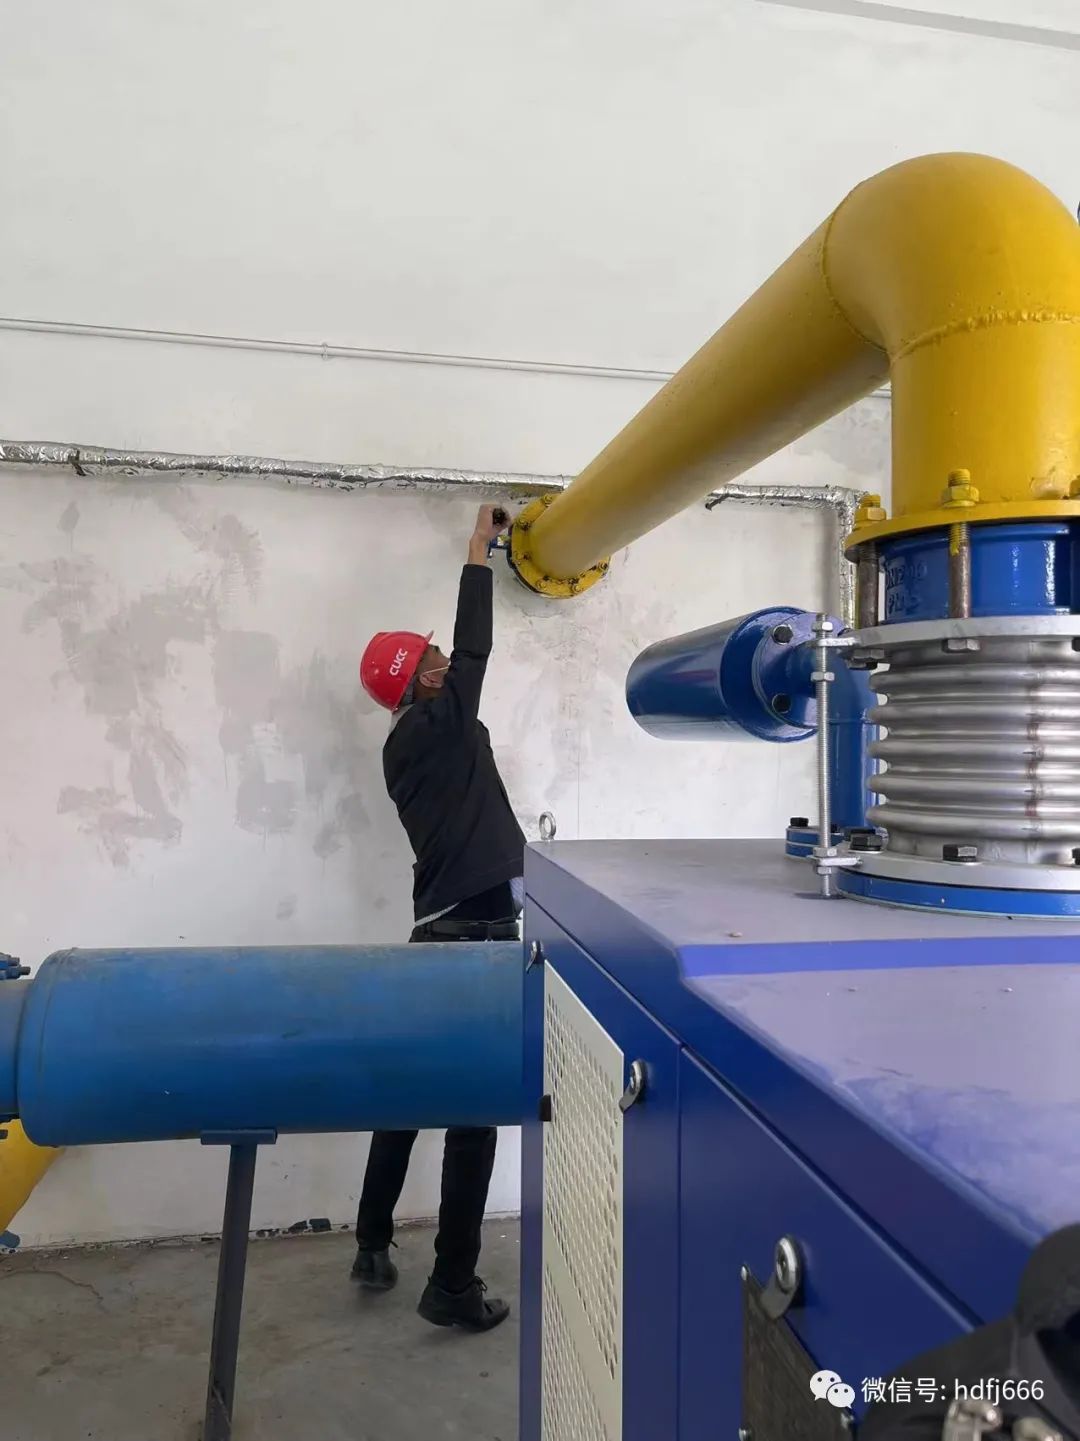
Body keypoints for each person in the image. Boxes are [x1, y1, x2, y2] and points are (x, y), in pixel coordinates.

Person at [353, 504, 525, 1333]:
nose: (448, 660)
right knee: (472, 1115)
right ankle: (452, 1282)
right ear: (422, 682)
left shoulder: (408, 742)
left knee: (406, 1092)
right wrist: (476, 552)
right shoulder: (439, 722)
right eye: (435, 658)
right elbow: (478, 648)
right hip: (476, 940)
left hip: (436, 932)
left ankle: (370, 1242)